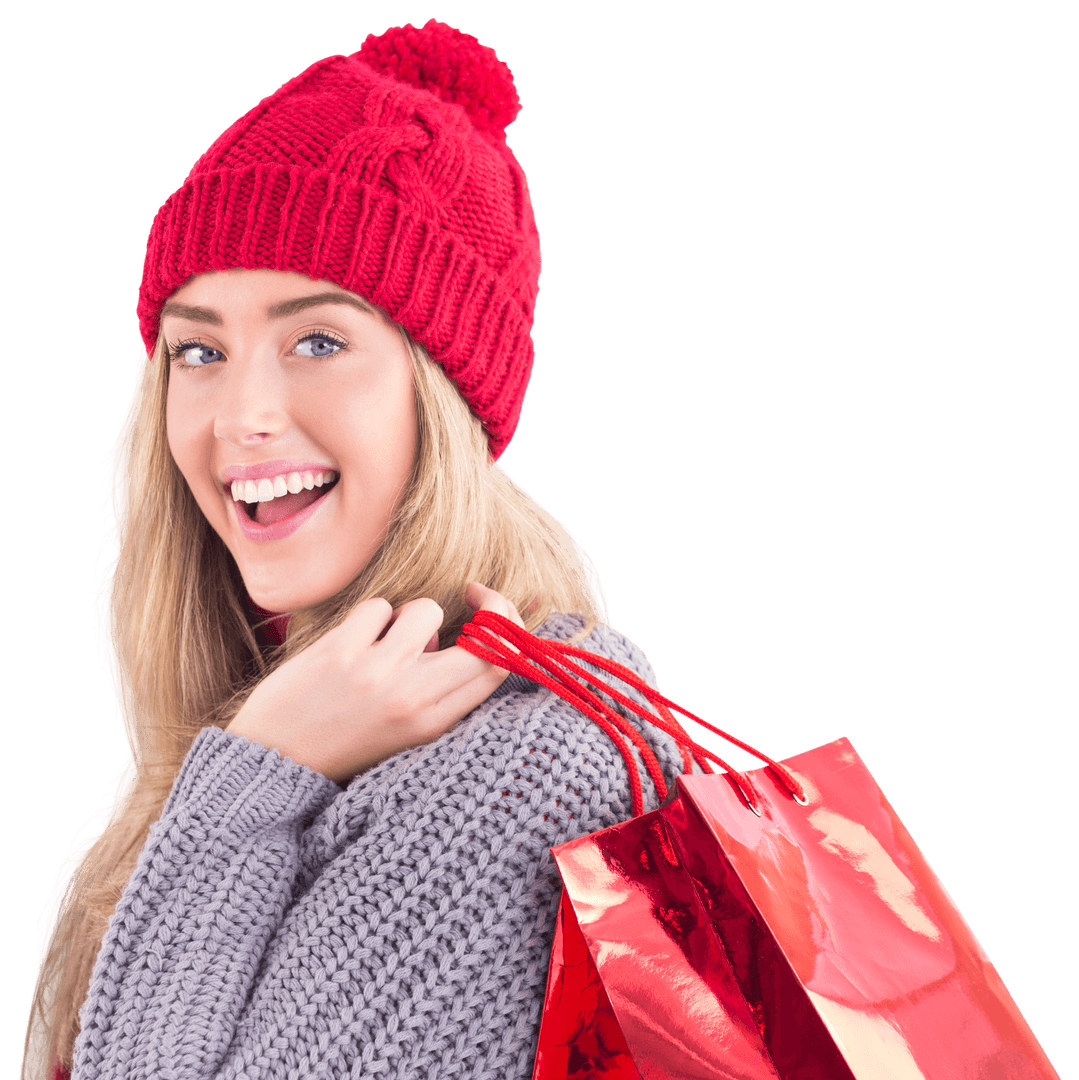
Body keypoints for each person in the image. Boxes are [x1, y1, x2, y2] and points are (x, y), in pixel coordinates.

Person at [20, 19, 691, 1080]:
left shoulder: (522, 764)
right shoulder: (291, 707)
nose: (242, 415)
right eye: (198, 349)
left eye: (319, 341)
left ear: (445, 396)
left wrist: (252, 782)